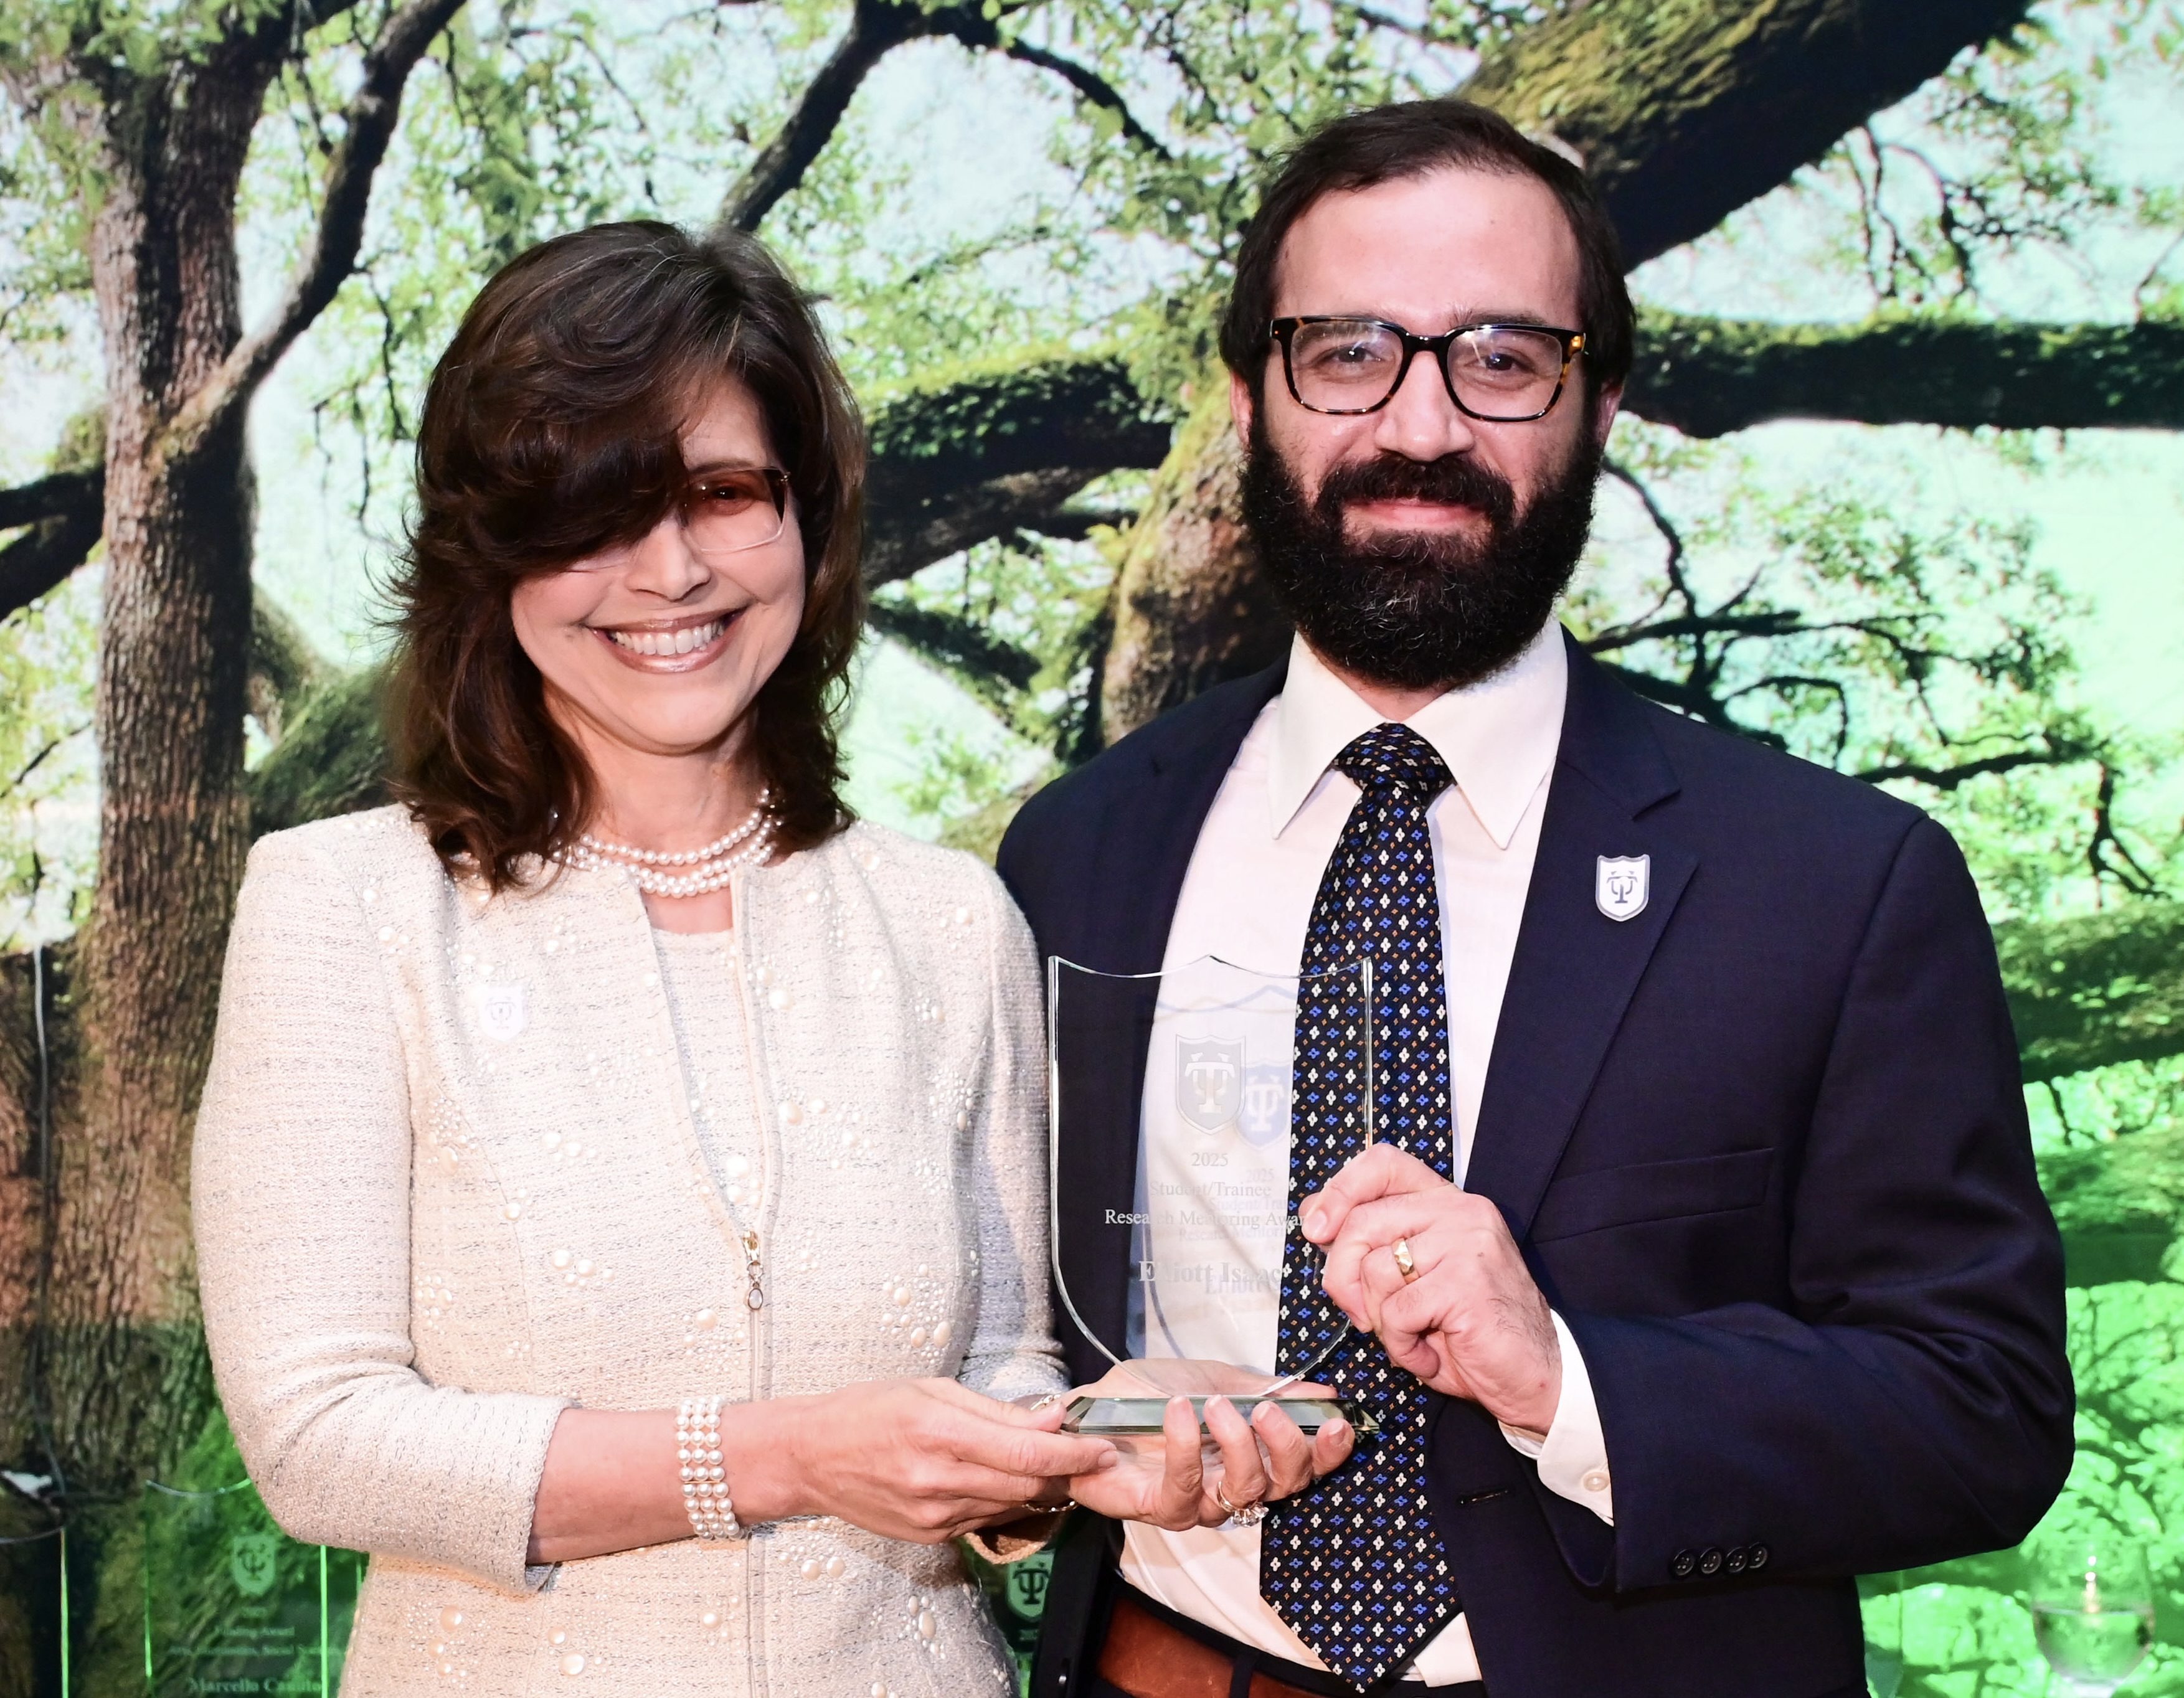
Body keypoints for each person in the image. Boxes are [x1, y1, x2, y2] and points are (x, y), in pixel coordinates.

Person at [1001, 100, 2073, 1698]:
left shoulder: (1838, 883)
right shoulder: (1076, 848)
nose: (1420, 424)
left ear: (1597, 405)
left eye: (1499, 356)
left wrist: (1567, 1377)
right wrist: (1057, 1453)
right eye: (1346, 350)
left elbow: (1977, 1409)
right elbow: (996, 1323)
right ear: (1248, 401)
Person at [191, 220, 1236, 1698]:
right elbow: (320, 1438)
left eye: (723, 493)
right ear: (492, 556)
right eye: (591, 511)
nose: (668, 569)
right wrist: (785, 1453)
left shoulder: (948, 922)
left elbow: (1000, 1371)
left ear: (806, 518)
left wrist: (1099, 1442)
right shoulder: (342, 906)